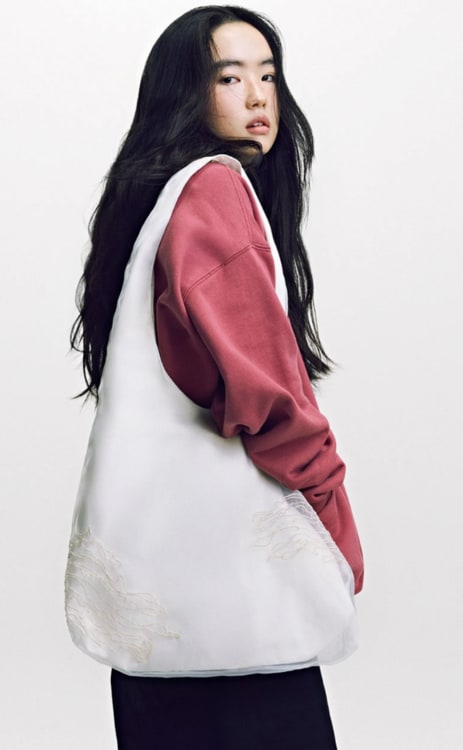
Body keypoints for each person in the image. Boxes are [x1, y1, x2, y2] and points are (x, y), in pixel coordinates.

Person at [67, 5, 364, 749]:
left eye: (268, 76)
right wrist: (329, 509)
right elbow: (265, 392)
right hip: (241, 620)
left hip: (166, 619)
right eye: (229, 78)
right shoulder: (213, 191)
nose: (258, 96)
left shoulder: (160, 200)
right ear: (185, 94)